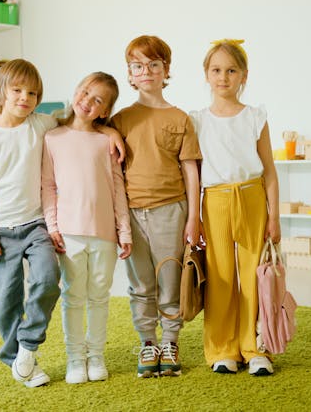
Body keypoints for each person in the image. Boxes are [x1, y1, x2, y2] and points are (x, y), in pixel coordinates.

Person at [0, 59, 124, 388]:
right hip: (0, 230)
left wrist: (108, 129)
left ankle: (29, 344)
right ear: (1, 92)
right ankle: (17, 358)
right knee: (8, 297)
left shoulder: (42, 125)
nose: (25, 97)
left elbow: (79, 124)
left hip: (36, 224)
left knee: (49, 279)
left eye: (33, 92)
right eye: (17, 90)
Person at [110, 35, 202, 378]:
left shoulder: (180, 119)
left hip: (171, 210)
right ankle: (148, 342)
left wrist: (194, 216)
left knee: (170, 280)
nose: (146, 71)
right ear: (130, 74)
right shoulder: (119, 120)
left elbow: (191, 170)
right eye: (138, 66)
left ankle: (171, 341)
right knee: (140, 285)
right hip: (132, 214)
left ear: (166, 70)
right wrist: (108, 134)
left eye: (153, 64)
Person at [189, 39, 281, 376]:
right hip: (214, 200)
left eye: (231, 70)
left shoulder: (255, 117)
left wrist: (275, 215)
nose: (223, 77)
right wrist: (194, 217)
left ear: (244, 75)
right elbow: (193, 174)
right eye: (216, 70)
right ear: (206, 75)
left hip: (252, 197)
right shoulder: (196, 120)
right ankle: (221, 349)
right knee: (221, 276)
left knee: (254, 274)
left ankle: (255, 347)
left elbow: (269, 170)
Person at [41, 72, 132, 384]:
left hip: (104, 233)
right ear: (75, 90)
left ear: (105, 111)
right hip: (69, 233)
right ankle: (75, 358)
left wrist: (125, 231)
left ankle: (96, 355)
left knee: (99, 296)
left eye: (98, 100)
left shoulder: (106, 140)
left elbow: (118, 188)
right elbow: (48, 187)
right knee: (73, 297)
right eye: (85, 92)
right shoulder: (52, 138)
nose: (88, 102)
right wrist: (52, 226)